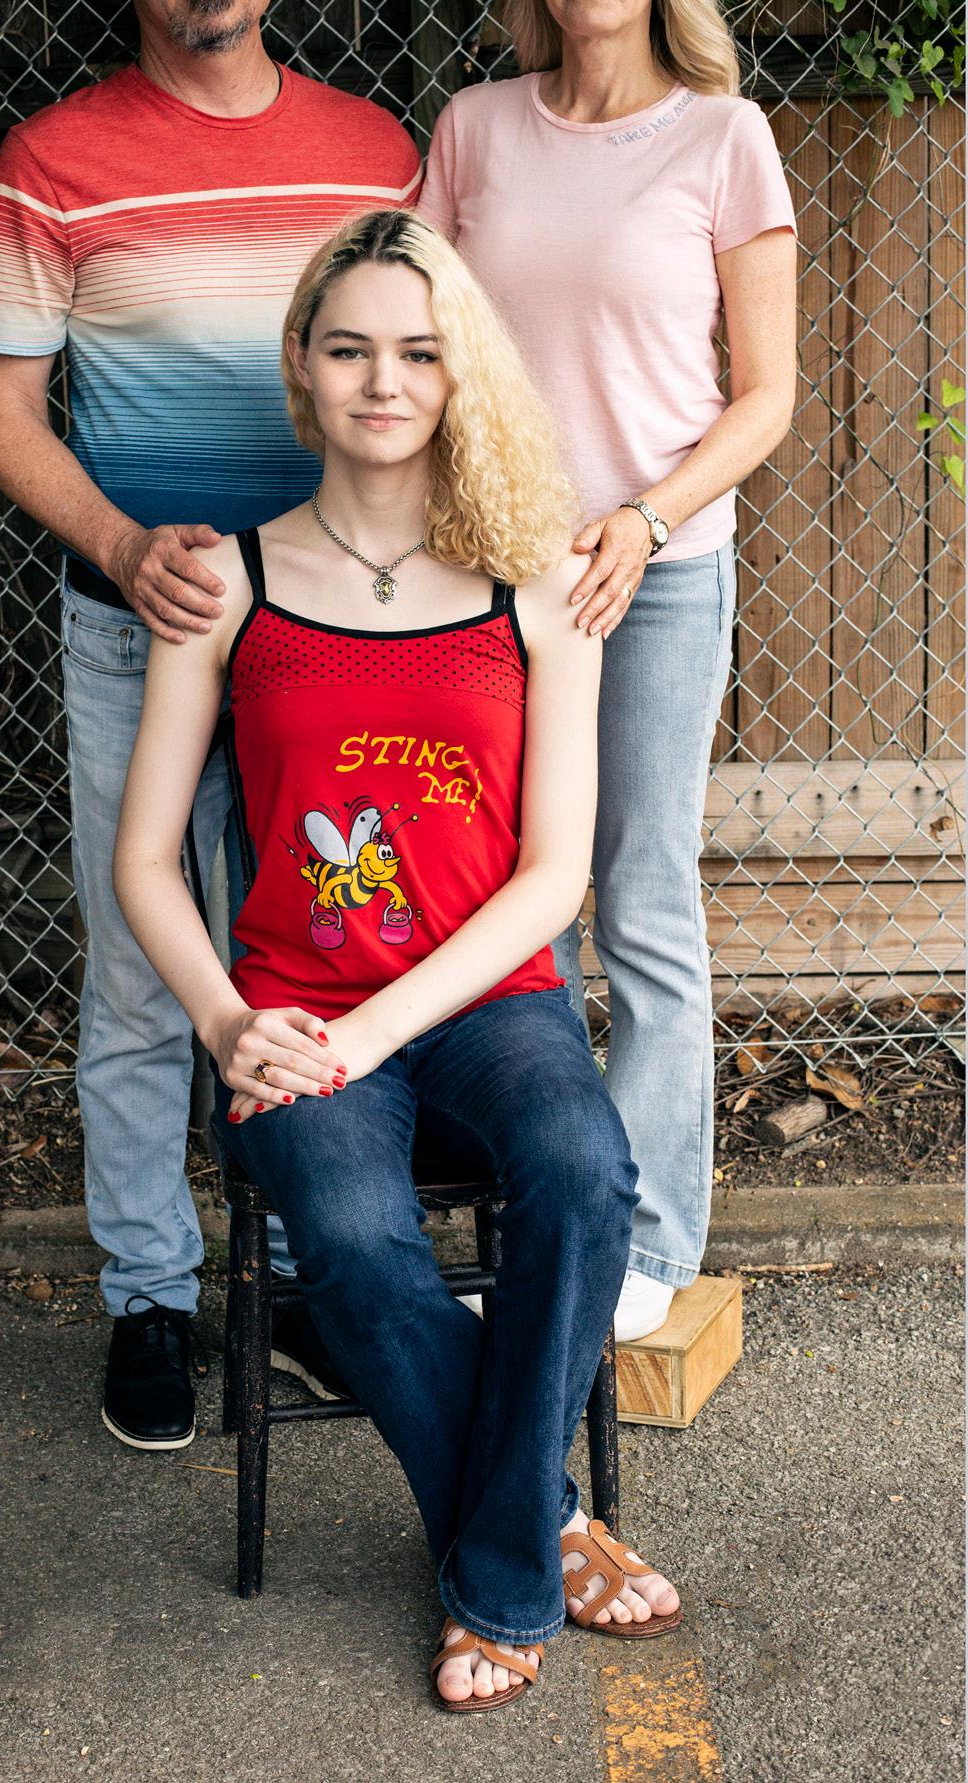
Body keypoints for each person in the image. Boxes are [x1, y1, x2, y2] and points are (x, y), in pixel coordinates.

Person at [113, 208, 681, 1711]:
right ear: (301, 366)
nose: (384, 381)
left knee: (581, 1173)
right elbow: (144, 859)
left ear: (458, 374)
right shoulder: (227, 585)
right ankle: (543, 1529)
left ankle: (497, 1567)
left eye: (420, 353)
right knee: (356, 1245)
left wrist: (375, 1033)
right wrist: (228, 1023)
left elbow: (552, 875)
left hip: (490, 1002)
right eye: (351, 348)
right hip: (292, 1014)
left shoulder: (535, 583)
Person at [0, 0, 422, 1450]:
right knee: (140, 969)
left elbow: (428, 373)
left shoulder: (375, 152)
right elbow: (1, 408)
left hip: (329, 642)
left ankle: (305, 1275)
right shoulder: (54, 161)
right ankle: (151, 1295)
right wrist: (118, 545)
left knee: (328, 945)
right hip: (138, 623)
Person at [418, 0, 797, 1341]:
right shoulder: (473, 130)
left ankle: (646, 1240)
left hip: (658, 571)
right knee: (504, 902)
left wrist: (643, 516)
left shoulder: (724, 137)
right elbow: (416, 340)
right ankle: (533, 1218)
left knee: (638, 894)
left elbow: (767, 394)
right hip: (488, 576)